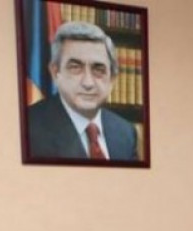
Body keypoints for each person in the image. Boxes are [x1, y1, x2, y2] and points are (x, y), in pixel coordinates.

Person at [28, 21, 138, 161]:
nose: (88, 83)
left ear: (112, 79)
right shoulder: (28, 127)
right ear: (55, 73)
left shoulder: (125, 132)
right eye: (75, 68)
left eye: (98, 69)